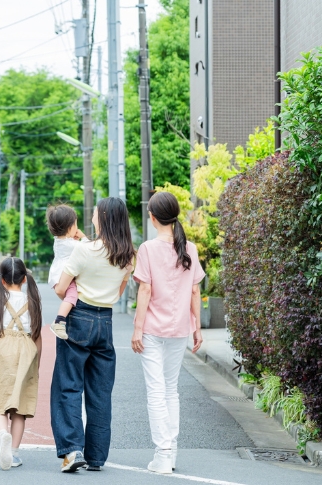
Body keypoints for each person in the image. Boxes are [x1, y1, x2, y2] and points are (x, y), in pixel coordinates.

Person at [50, 197, 135, 473]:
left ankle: (73, 450)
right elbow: (120, 292)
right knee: (100, 391)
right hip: (105, 321)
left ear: (105, 218)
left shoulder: (84, 251)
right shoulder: (127, 255)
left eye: (96, 214)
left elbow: (62, 289)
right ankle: (96, 456)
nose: (93, 217)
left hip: (78, 318)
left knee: (68, 385)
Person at [131, 191, 204, 474]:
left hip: (152, 329)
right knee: (171, 389)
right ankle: (170, 452)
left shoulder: (148, 249)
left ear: (152, 218)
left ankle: (162, 454)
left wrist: (137, 329)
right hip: (180, 329)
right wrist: (197, 326)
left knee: (156, 391)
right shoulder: (191, 248)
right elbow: (196, 290)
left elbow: (145, 289)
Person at [0, 257, 43, 471]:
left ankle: (2, 434)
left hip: (2, 347)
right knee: (19, 408)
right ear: (24, 279)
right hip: (26, 349)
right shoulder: (31, 300)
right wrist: (37, 362)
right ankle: (13, 452)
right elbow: (37, 335)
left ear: (2, 281)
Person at [45, 204, 88, 340]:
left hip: (57, 274)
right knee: (71, 296)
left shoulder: (59, 241)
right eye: (76, 224)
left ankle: (62, 319)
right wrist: (84, 237)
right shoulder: (72, 245)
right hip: (64, 276)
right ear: (70, 227)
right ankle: (59, 321)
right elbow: (90, 248)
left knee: (70, 298)